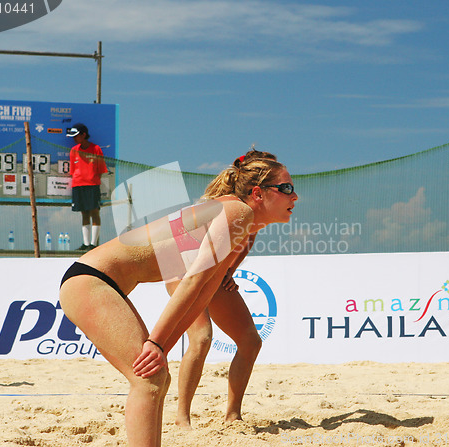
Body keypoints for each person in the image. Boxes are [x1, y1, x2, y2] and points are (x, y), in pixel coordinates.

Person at [59, 154, 297, 447]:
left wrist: (162, 345)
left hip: (96, 280)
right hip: (90, 281)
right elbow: (193, 280)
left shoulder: (242, 222)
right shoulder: (237, 211)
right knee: (150, 380)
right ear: (257, 193)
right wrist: (157, 343)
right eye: (286, 188)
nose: (294, 195)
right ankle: (183, 417)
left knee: (158, 379)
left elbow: (203, 292)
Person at [175, 150, 278, 428]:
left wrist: (229, 272)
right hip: (185, 269)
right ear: (258, 187)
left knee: (250, 342)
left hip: (214, 273)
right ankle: (181, 418)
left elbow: (246, 243)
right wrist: (215, 273)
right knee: (201, 338)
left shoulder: (256, 211)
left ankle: (233, 416)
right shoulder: (224, 206)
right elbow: (188, 249)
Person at [66, 123, 108, 250]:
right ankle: (85, 243)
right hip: (78, 185)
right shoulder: (74, 150)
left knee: (94, 212)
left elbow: (101, 169)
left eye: (76, 136)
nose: (74, 138)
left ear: (84, 135)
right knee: (84, 213)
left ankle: (93, 244)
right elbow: (73, 170)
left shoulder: (96, 149)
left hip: (92, 185)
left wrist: (93, 180)